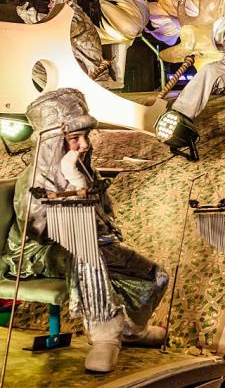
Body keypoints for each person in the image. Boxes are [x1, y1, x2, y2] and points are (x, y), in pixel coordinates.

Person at [2, 88, 168, 372]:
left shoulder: (82, 169)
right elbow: (40, 232)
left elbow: (100, 220)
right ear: (54, 142)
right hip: (33, 254)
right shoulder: (34, 180)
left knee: (154, 275)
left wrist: (81, 183)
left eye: (85, 136)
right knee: (86, 256)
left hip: (88, 243)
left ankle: (132, 331)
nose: (84, 145)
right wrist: (75, 192)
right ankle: (105, 335)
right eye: (74, 138)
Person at [16, 0, 112, 89]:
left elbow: (59, 30)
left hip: (89, 72)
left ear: (62, 2)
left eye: (52, 2)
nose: (49, 5)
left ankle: (56, 92)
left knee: (32, 62)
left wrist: (35, 20)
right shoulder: (67, 16)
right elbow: (52, 24)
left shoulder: (76, 17)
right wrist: (32, 19)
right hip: (77, 67)